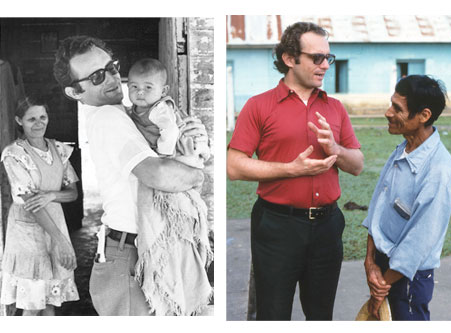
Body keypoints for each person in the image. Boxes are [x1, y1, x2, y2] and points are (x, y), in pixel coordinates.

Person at [53, 35, 208, 315]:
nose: (113, 78)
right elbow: (158, 175)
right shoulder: (107, 118)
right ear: (75, 92)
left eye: (111, 67)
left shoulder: (125, 113)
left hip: (138, 249)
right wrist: (197, 173)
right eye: (97, 77)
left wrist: (189, 137)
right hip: (129, 257)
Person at [227, 21, 364, 320]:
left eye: (329, 58)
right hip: (277, 226)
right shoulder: (258, 106)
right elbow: (234, 166)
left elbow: (358, 165)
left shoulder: (335, 108)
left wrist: (336, 150)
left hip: (328, 226)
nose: (325, 65)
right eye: (317, 58)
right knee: (272, 314)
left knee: (320, 315)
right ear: (290, 58)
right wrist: (290, 169)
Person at [362, 75, 451, 321]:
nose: (387, 112)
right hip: (383, 271)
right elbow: (377, 207)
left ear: (423, 116)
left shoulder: (439, 169)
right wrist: (370, 262)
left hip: (407, 279)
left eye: (397, 108)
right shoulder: (402, 149)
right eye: (390, 104)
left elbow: (419, 241)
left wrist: (383, 282)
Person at [126, 58, 213, 315]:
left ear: (163, 91)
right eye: (133, 87)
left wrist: (163, 155)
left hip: (178, 155)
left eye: (147, 88)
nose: (139, 93)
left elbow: (171, 132)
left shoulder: (160, 110)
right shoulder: (131, 113)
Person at [0, 97, 79, 315]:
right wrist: (61, 240)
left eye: (42, 117)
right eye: (31, 119)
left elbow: (72, 193)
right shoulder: (14, 154)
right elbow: (31, 203)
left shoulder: (60, 150)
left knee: (51, 301)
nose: (38, 123)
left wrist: (51, 195)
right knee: (32, 305)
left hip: (55, 224)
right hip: (28, 234)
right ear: (19, 121)